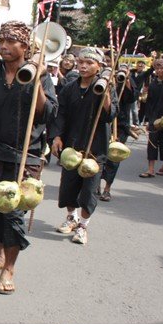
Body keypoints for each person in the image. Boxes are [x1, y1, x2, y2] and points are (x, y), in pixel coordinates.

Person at [0, 20, 57, 294]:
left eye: (11, 42)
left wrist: (39, 80)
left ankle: (9, 268)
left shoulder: (39, 74)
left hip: (27, 157)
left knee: (14, 215)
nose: (4, 46)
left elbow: (48, 113)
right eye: (1, 40)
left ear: (25, 46)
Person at [50, 48, 116, 245]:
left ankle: (83, 226)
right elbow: (60, 113)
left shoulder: (104, 87)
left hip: (95, 149)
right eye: (81, 62)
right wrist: (56, 137)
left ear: (98, 66)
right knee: (69, 187)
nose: (84, 66)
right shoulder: (70, 88)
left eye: (89, 62)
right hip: (72, 145)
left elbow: (110, 115)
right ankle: (72, 217)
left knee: (89, 191)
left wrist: (105, 94)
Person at [99, 63, 138, 202]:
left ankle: (107, 189)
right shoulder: (105, 78)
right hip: (103, 123)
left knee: (114, 157)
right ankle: (95, 184)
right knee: (98, 155)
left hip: (120, 126)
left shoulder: (128, 81)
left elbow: (133, 97)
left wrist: (126, 78)